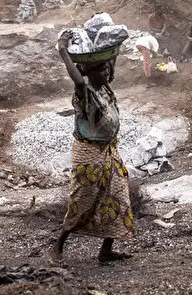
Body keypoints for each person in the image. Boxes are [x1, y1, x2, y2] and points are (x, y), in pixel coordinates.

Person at [52, 33, 135, 263]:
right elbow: (77, 79)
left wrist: (113, 46)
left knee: (118, 197)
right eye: (100, 69)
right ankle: (59, 245)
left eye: (106, 68)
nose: (106, 72)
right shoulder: (85, 91)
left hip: (109, 151)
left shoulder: (104, 87)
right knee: (82, 200)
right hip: (88, 153)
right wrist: (62, 51)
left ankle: (106, 249)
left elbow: (111, 68)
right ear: (87, 71)